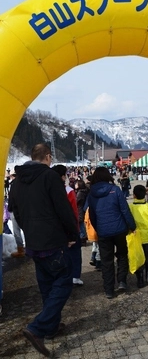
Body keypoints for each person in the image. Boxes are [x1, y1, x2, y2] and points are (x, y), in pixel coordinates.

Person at [10, 143, 78, 357]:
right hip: (53, 241)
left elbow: (16, 213)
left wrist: (29, 230)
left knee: (47, 285)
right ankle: (38, 327)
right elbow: (63, 210)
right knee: (64, 282)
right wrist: (72, 235)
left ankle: (50, 327)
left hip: (34, 243)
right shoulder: (49, 177)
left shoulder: (17, 181)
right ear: (48, 157)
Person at [88, 167, 136, 299]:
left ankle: (109, 289)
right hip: (120, 229)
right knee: (121, 255)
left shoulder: (91, 193)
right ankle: (121, 281)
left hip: (103, 232)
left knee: (106, 261)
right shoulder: (115, 190)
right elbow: (125, 210)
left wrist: (99, 229)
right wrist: (132, 226)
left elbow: (92, 214)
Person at [52, 164, 84, 286]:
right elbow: (74, 212)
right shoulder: (69, 191)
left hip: (54, 229)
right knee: (74, 253)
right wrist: (75, 229)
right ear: (62, 176)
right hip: (69, 227)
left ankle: (61, 276)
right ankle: (75, 276)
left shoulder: (48, 190)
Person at [129, 185, 148, 288]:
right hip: (147, 236)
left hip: (135, 237)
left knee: (138, 257)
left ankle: (140, 279)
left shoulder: (130, 207)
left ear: (134, 195)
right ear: (145, 195)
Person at [8, 172, 25, 257]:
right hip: (22, 210)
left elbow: (12, 199)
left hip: (15, 210)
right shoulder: (24, 183)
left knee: (17, 231)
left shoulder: (15, 184)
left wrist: (11, 208)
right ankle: (28, 248)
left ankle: (20, 249)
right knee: (25, 229)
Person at [75, 179, 89, 246]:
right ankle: (83, 237)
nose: (75, 185)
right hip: (81, 209)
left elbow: (76, 201)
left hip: (79, 210)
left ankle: (83, 237)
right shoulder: (83, 191)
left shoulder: (80, 193)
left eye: (76, 184)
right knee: (81, 224)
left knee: (80, 225)